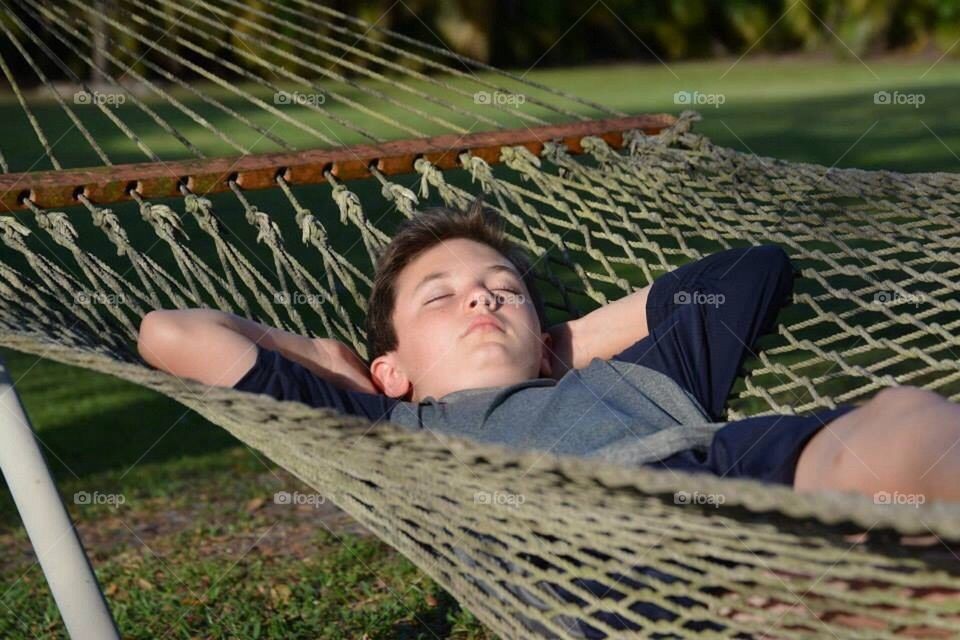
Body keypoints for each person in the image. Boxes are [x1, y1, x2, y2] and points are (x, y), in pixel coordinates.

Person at [137, 199, 960, 503]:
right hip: (590, 548)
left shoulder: (636, 377)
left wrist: (558, 347)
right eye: (442, 295)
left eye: (504, 288)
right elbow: (169, 334)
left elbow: (750, 273)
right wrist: (324, 353)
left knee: (907, 423)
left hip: (723, 471)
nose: (482, 297)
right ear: (393, 367)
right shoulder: (383, 423)